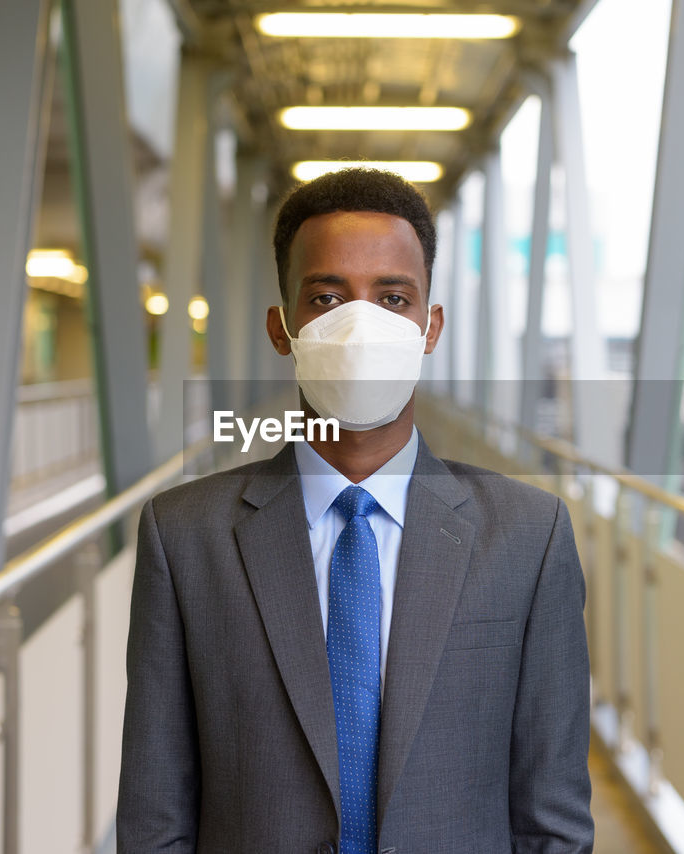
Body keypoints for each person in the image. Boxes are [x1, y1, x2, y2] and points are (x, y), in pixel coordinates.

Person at [117, 169, 594, 853]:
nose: (361, 325)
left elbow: (553, 819)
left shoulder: (528, 536)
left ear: (430, 327)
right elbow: (154, 818)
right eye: (327, 297)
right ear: (282, 329)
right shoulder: (185, 538)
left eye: (393, 297)